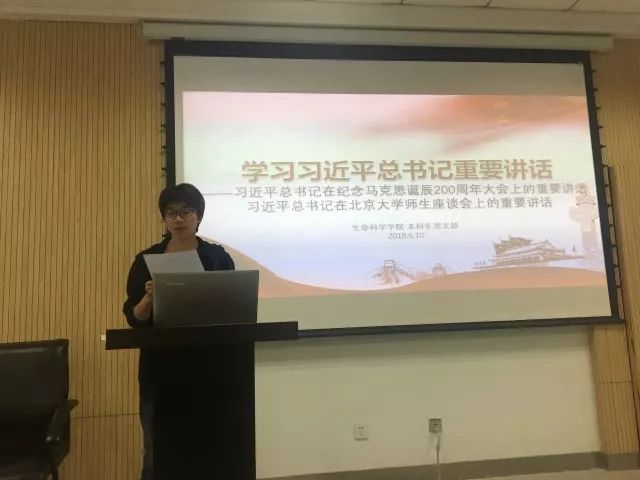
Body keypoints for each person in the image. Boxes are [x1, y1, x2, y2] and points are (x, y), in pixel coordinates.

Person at [122, 183, 234, 480]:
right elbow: (134, 318)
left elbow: (234, 307)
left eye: (187, 211)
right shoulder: (146, 259)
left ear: (199, 217)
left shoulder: (217, 258)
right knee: (157, 452)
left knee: (209, 448)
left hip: (209, 367)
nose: (179, 219)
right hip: (160, 369)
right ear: (164, 218)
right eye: (171, 213)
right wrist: (149, 297)